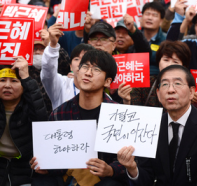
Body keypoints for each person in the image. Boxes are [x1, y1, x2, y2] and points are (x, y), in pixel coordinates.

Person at [117, 65, 197, 185]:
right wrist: (132, 169)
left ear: (191, 92)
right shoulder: (150, 125)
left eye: (177, 84)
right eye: (165, 84)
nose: (170, 90)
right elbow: (147, 177)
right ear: (158, 94)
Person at [31, 50, 128, 186]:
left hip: (103, 180)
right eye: (85, 67)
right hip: (68, 178)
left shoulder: (119, 115)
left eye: (96, 69)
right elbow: (56, 159)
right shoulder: (60, 113)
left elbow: (130, 162)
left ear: (107, 81)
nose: (88, 73)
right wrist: (45, 165)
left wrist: (110, 170)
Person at [0, 57, 47, 186]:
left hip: (25, 172)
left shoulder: (30, 107)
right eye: (2, 80)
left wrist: (26, 77)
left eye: (14, 81)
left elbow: (41, 121)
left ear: (23, 86)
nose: (7, 85)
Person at [41, 22, 95, 110]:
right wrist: (53, 45)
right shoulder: (61, 84)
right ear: (70, 66)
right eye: (77, 59)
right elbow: (48, 71)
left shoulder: (99, 89)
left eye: (86, 59)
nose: (81, 63)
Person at [127, 40, 191, 108]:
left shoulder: (188, 89)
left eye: (175, 62)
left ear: (183, 66)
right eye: (166, 60)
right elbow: (135, 111)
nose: (169, 65)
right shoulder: (144, 83)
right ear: (159, 61)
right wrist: (127, 101)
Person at [140, 1, 166, 75]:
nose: (150, 18)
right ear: (141, 17)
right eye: (147, 14)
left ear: (161, 21)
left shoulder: (166, 40)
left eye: (154, 15)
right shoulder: (133, 38)